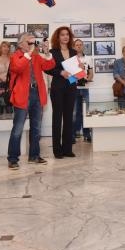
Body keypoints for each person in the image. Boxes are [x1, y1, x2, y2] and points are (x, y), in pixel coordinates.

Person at [6, 33, 55, 169]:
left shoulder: (35, 56)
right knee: (18, 128)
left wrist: (47, 53)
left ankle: (34, 156)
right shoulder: (15, 56)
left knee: (36, 128)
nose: (32, 45)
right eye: (29, 42)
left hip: (37, 94)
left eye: (33, 42)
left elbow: (49, 66)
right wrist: (29, 54)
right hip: (22, 95)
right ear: (20, 44)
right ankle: (13, 158)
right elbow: (18, 67)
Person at [46, 26, 77, 159]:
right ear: (57, 37)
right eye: (62, 35)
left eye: (67, 35)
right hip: (57, 87)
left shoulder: (73, 52)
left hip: (71, 86)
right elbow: (47, 69)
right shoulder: (52, 52)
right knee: (57, 118)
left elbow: (75, 72)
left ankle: (67, 149)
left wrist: (80, 69)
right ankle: (57, 150)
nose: (65, 37)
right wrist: (60, 72)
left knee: (69, 118)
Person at [72, 38, 93, 142]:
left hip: (85, 89)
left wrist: (88, 79)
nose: (79, 46)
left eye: (80, 44)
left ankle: (86, 134)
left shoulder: (88, 58)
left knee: (86, 111)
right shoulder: (71, 59)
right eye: (77, 45)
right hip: (74, 89)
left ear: (83, 46)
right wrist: (75, 79)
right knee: (74, 112)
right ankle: (73, 134)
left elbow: (91, 73)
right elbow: (69, 75)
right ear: (74, 46)